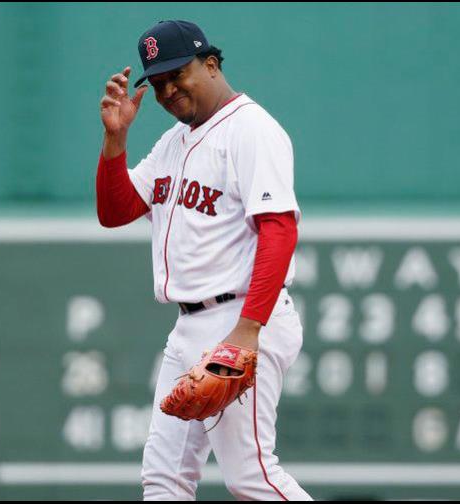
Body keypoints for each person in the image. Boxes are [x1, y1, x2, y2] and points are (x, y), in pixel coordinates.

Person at [96, 19, 312, 501]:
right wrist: (115, 141)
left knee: (251, 476)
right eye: (157, 83)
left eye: (178, 74)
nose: (169, 89)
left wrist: (246, 332)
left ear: (211, 63)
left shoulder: (251, 129)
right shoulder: (173, 142)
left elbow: (279, 230)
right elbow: (116, 211)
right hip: (191, 328)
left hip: (241, 318)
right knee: (164, 478)